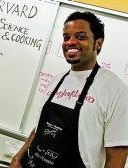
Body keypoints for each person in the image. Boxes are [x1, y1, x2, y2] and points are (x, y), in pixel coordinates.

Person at [10, 11, 128, 168]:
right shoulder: (56, 80)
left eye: (80, 37)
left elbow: (117, 154)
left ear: (98, 43)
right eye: (66, 37)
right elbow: (39, 129)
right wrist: (18, 158)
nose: (70, 42)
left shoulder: (115, 90)